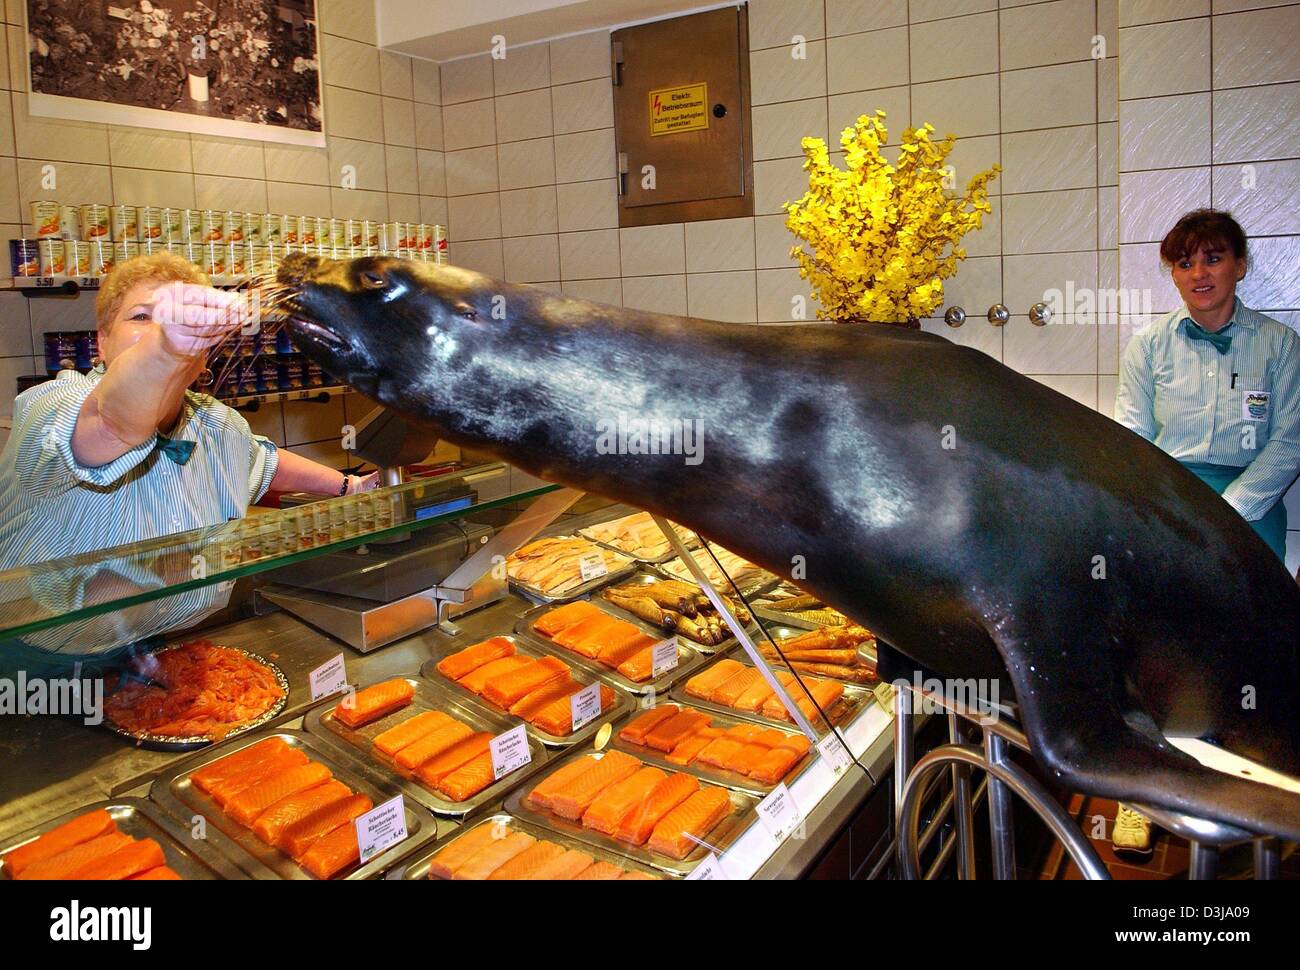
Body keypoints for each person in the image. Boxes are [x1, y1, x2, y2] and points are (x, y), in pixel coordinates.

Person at [0, 252, 376, 668]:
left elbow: (262, 461)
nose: (161, 328)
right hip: (41, 662)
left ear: (202, 356)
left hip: (166, 646)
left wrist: (349, 486)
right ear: (102, 342)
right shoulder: (54, 401)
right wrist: (166, 348)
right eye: (142, 316)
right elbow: (109, 424)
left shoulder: (216, 423)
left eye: (177, 322)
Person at [1112, 208, 1300, 855]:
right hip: (1168, 506)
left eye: (1213, 258)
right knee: (1152, 655)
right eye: (1185, 262)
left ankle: (1240, 804)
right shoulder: (1147, 347)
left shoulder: (1281, 345)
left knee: (1241, 654)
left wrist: (1234, 507)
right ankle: (1143, 794)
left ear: (1240, 266)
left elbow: (1290, 441)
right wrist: (1162, 510)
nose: (1199, 273)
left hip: (1252, 508)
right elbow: (1132, 440)